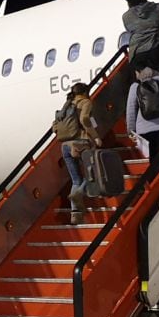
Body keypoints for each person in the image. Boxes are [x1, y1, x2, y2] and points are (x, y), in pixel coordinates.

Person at [55, 83, 102, 223]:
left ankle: (75, 214)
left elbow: (54, 125)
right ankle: (79, 193)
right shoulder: (85, 102)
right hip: (80, 143)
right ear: (85, 92)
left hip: (64, 146)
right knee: (94, 173)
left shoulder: (66, 105)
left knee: (76, 179)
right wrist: (96, 137)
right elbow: (84, 119)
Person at [126, 66, 159, 162]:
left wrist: (131, 130)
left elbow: (131, 110)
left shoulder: (135, 86)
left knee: (156, 160)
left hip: (146, 130)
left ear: (138, 72)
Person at [122, 0, 159, 79]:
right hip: (156, 50)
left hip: (136, 57)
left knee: (147, 85)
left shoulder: (126, 17)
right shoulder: (158, 8)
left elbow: (130, 28)